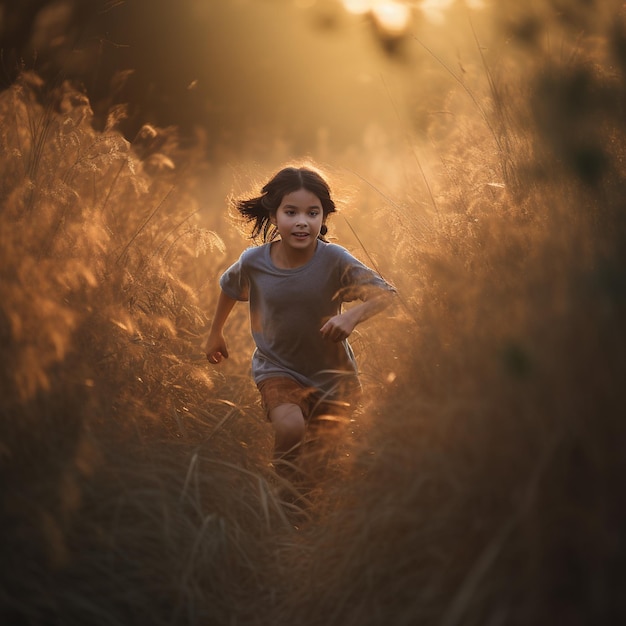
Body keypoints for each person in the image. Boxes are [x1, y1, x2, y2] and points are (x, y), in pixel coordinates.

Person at [205, 165, 395, 471]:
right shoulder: (253, 261)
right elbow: (229, 287)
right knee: (291, 429)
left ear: (323, 217)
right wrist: (216, 332)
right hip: (277, 367)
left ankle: (304, 508)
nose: (302, 222)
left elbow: (386, 293)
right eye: (291, 212)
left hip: (333, 376)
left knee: (320, 463)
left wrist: (352, 317)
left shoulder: (335, 259)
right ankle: (281, 495)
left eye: (313, 213)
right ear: (273, 216)